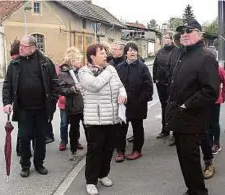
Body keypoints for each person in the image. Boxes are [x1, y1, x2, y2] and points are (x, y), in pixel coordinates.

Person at [166, 19, 219, 195]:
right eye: (182, 32)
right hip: (179, 117)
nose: (185, 34)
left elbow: (211, 92)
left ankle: (198, 191)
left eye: (189, 31)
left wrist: (186, 104)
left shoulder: (206, 57)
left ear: (200, 34)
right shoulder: (183, 54)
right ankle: (192, 189)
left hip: (193, 118)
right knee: (184, 160)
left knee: (191, 159)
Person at [2, 35, 59, 177]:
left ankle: (39, 163)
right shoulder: (15, 64)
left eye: (24, 46)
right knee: (24, 137)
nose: (20, 48)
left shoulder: (45, 62)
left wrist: (52, 101)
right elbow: (7, 85)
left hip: (42, 109)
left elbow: (54, 84)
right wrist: (7, 102)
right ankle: (25, 164)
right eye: (20, 45)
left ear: (33, 48)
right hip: (23, 109)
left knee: (40, 138)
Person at [77, 43, 127, 195]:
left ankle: (103, 174)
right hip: (95, 120)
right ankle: (90, 181)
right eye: (102, 53)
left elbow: (120, 86)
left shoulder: (110, 70)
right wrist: (110, 70)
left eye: (106, 53)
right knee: (94, 151)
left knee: (108, 150)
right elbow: (95, 85)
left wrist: (123, 95)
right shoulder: (84, 72)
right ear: (92, 56)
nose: (105, 55)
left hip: (113, 118)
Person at [115, 42, 153, 162]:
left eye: (135, 50)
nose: (133, 52)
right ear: (125, 53)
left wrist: (140, 100)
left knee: (137, 128)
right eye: (130, 50)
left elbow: (148, 87)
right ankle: (120, 151)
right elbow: (115, 85)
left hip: (138, 104)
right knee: (121, 129)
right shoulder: (120, 67)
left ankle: (137, 150)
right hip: (123, 105)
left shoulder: (142, 67)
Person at [57, 51, 85, 160]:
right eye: (78, 59)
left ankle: (92, 149)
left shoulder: (82, 72)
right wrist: (71, 90)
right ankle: (73, 151)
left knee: (88, 127)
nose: (81, 61)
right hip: (73, 106)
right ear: (72, 61)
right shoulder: (64, 74)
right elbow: (60, 89)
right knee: (73, 128)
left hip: (84, 105)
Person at [153, 31, 176, 139]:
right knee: (164, 106)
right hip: (161, 84)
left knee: (173, 107)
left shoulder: (176, 51)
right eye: (164, 38)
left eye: (167, 38)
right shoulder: (160, 51)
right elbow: (155, 65)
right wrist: (155, 78)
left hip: (172, 84)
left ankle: (175, 133)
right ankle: (165, 129)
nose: (165, 39)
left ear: (172, 39)